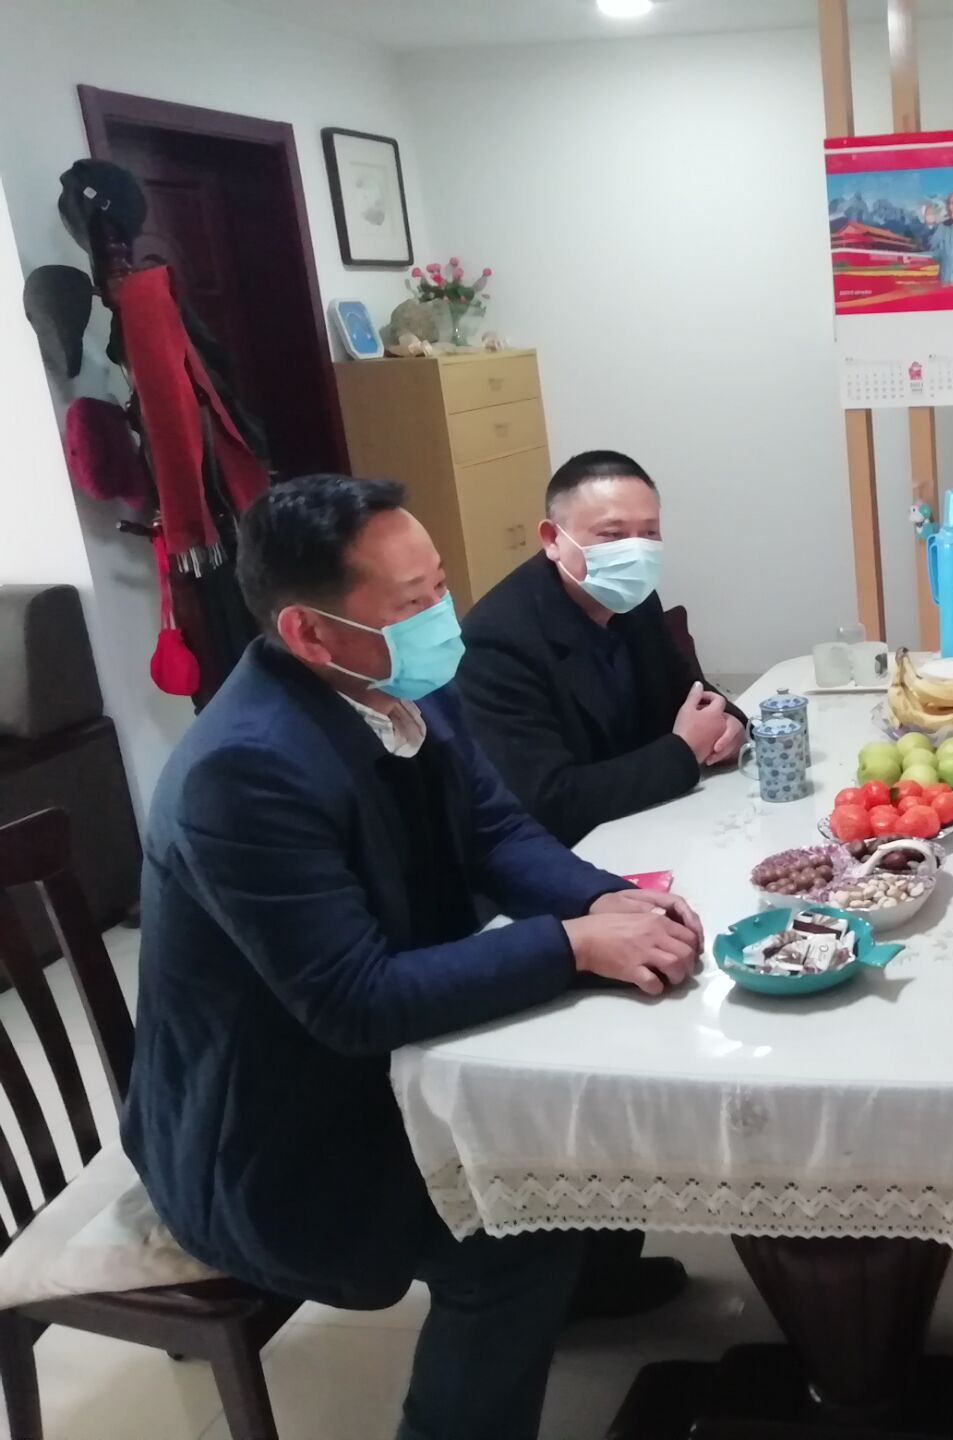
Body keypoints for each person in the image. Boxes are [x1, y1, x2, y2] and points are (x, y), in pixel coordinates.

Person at [123, 475, 708, 1440]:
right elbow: (353, 999)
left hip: (365, 1067)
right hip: (274, 1134)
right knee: (513, 1228)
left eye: (440, 584)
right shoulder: (244, 770)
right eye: (414, 602)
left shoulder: (402, 683)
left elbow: (495, 831)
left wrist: (603, 898)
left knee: (582, 1087)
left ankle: (587, 1282)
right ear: (310, 633)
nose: (444, 615)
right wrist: (572, 943)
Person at [457, 450, 746, 848]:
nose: (636, 552)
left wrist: (730, 727)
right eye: (612, 535)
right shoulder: (496, 641)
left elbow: (689, 691)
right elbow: (549, 801)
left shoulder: (633, 598)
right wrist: (683, 751)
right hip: (576, 851)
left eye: (649, 533)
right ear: (552, 539)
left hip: (654, 821)